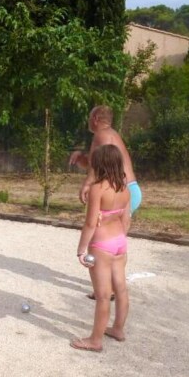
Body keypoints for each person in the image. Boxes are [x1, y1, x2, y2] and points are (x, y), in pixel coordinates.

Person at [69, 105, 142, 300]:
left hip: (117, 190)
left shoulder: (101, 135)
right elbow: (97, 163)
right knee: (116, 237)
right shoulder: (110, 134)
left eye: (89, 117)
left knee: (98, 238)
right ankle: (115, 287)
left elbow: (95, 168)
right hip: (128, 189)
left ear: (95, 118)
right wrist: (81, 158)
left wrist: (87, 185)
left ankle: (105, 289)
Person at [71, 145, 130, 352]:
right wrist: (120, 239)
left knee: (103, 295)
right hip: (120, 242)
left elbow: (90, 224)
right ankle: (118, 329)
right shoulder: (124, 188)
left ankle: (95, 340)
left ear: (98, 164)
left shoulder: (98, 189)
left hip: (101, 245)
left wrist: (81, 250)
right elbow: (126, 220)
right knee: (121, 289)